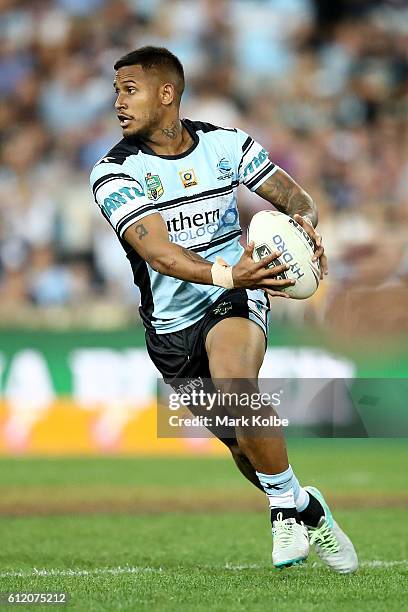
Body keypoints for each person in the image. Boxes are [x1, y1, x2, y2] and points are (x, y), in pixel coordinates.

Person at [90, 46, 358, 572]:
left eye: (129, 89)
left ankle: (282, 514)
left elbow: (296, 198)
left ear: (166, 94)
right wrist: (227, 272)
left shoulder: (226, 145)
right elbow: (157, 252)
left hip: (236, 293)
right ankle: (305, 506)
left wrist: (305, 226)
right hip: (171, 327)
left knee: (237, 381)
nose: (117, 101)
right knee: (242, 445)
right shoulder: (114, 172)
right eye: (116, 91)